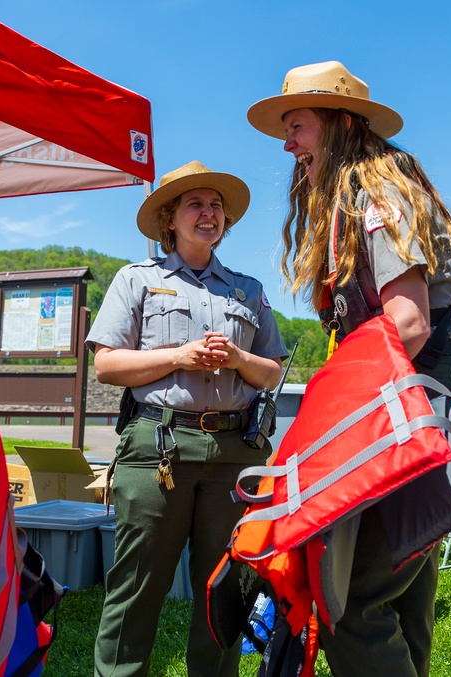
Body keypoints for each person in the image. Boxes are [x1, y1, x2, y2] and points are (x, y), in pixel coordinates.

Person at [247, 61, 451, 676]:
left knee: (352, 600)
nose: (288, 144)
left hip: (422, 398)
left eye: (298, 126)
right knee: (404, 591)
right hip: (429, 397)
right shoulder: (371, 191)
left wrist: (332, 423)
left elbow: (407, 324)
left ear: (339, 124)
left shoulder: (376, 194)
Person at [87, 160, 287, 677]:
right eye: (195, 204)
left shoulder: (247, 289)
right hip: (158, 448)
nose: (208, 213)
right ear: (170, 219)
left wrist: (240, 360)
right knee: (136, 586)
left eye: (216, 205)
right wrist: (179, 356)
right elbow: (106, 364)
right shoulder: (137, 280)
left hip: (234, 455)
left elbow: (271, 373)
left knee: (225, 588)